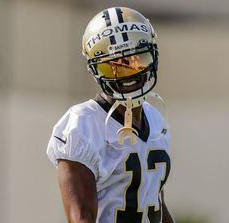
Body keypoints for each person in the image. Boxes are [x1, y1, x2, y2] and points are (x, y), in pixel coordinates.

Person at [47, 6, 174, 223]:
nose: (127, 74)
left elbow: (153, 203)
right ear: (95, 70)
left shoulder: (155, 119)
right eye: (113, 66)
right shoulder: (83, 124)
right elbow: (81, 217)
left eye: (136, 60)